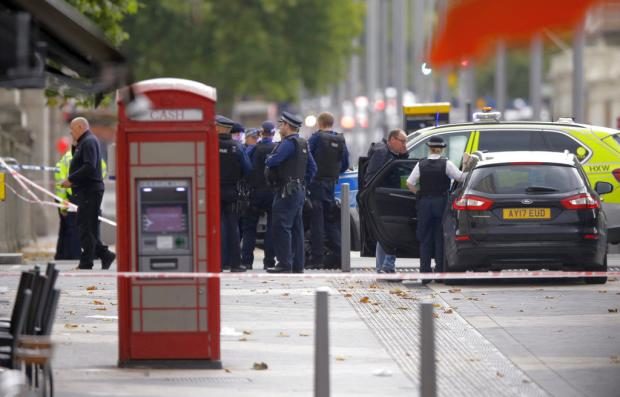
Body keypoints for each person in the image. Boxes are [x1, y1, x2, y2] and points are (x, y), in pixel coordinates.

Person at [406, 136, 470, 283]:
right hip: (441, 202)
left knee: (425, 238)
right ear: (441, 149)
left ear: (429, 148)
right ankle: (440, 272)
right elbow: (461, 177)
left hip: (425, 204)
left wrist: (419, 194)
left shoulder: (420, 164)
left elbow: (410, 183)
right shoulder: (446, 163)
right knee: (440, 237)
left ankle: (425, 274)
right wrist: (467, 165)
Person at [265, 112, 317, 273]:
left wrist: (269, 159)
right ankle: (297, 265)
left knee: (282, 226)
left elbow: (273, 160)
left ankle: (284, 263)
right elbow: (313, 168)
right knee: (296, 228)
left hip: (286, 191)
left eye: (281, 125)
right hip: (299, 190)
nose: (280, 127)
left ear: (288, 126)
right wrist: (302, 182)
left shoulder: (288, 143)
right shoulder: (303, 143)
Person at [61, 117, 115, 270]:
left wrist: (71, 179)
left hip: (90, 190)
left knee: (85, 226)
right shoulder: (84, 142)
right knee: (87, 226)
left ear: (80, 127)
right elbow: (78, 161)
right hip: (87, 190)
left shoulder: (89, 141)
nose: (71, 133)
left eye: (72, 129)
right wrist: (73, 146)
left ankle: (88, 261)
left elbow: (89, 166)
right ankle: (104, 255)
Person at [307, 112, 349, 269]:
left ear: (319, 123)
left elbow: (308, 160)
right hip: (331, 183)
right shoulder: (340, 139)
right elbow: (345, 163)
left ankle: (317, 259)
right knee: (330, 220)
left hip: (316, 184)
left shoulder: (316, 138)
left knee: (316, 222)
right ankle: (340, 255)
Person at [365, 129, 408, 273]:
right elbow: (372, 177)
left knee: (384, 234)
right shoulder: (382, 153)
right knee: (391, 232)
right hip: (384, 198)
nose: (405, 144)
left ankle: (383, 267)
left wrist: (404, 154)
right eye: (402, 141)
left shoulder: (392, 154)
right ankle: (387, 266)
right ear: (392, 140)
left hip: (389, 197)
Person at [217, 115, 252, 272]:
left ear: (218, 127)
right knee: (232, 226)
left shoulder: (210, 144)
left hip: (212, 191)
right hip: (231, 190)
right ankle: (235, 264)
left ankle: (217, 263)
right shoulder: (236, 147)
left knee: (215, 227)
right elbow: (248, 169)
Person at [240, 124, 278, 269]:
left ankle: (246, 261)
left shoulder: (253, 149)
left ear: (261, 133)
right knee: (271, 227)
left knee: (249, 228)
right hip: (272, 192)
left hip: (254, 192)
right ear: (273, 133)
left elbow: (245, 166)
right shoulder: (277, 148)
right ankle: (269, 262)